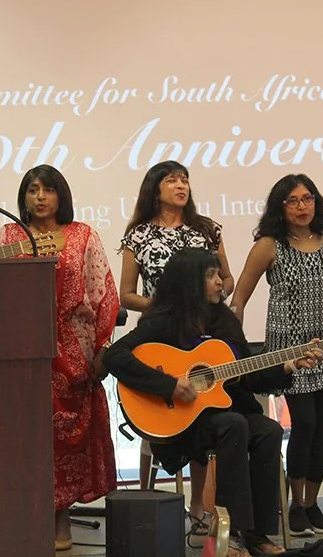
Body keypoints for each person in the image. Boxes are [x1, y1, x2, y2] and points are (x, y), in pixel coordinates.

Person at [104, 248, 322, 557]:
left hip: (226, 414)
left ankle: (256, 535)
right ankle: (229, 536)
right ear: (189, 282)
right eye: (211, 275)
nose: (221, 282)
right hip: (184, 423)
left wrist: (289, 365)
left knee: (269, 430)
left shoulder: (225, 321)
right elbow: (115, 356)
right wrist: (169, 385)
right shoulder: (163, 322)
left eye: (219, 274)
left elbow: (248, 374)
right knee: (234, 424)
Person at [0, 164, 119, 552]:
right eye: (32, 189)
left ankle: (61, 517)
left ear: (61, 196)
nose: (39, 197)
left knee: (66, 438)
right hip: (20, 348)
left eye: (48, 190)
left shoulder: (83, 236)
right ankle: (25, 514)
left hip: (71, 349)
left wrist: (101, 348)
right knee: (25, 435)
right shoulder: (9, 235)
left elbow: (103, 293)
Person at [229, 174, 323, 537]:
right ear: (280, 207)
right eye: (293, 200)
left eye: (308, 199)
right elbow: (239, 297)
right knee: (303, 423)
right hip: (290, 352)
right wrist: (230, 343)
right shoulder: (269, 245)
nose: (302, 206)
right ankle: (293, 503)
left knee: (322, 426)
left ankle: (310, 503)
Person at [118, 160, 234, 528]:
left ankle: (199, 508)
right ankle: (146, 497)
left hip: (202, 334)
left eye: (185, 180)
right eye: (172, 180)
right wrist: (167, 306)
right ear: (156, 188)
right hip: (159, 335)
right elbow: (125, 294)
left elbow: (228, 279)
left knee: (200, 408)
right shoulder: (138, 234)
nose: (181, 186)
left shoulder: (206, 229)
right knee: (155, 414)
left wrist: (211, 294)